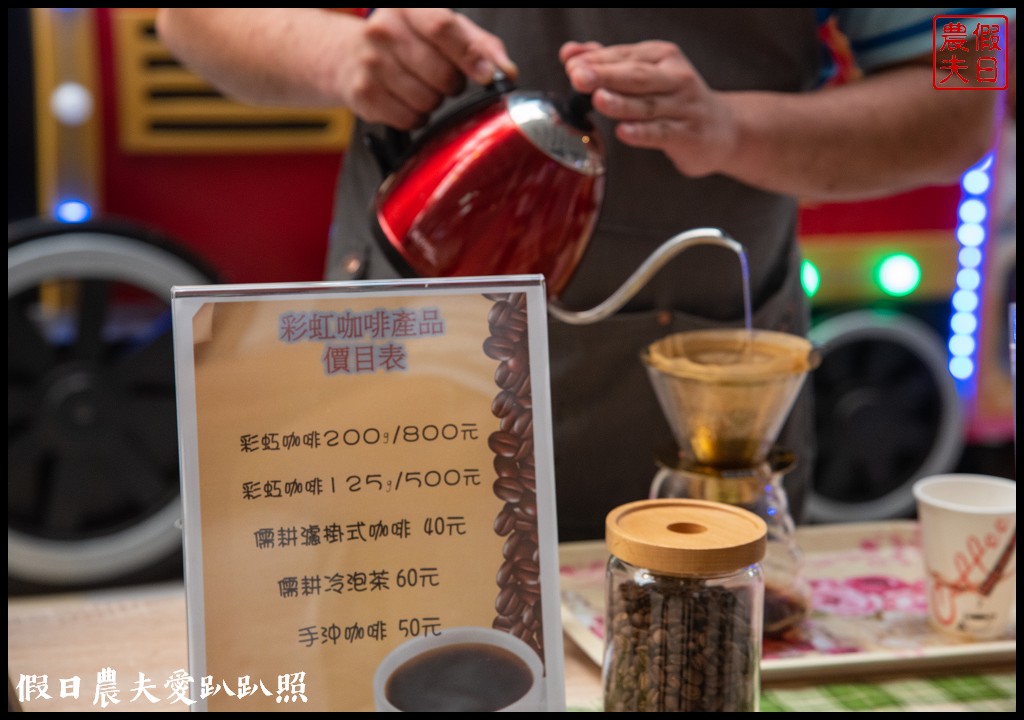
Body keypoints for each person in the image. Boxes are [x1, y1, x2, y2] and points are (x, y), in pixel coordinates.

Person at [156, 9, 1006, 541]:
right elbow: (187, 19)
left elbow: (969, 91)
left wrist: (731, 130)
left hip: (693, 406)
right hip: (392, 376)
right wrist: (340, 57)